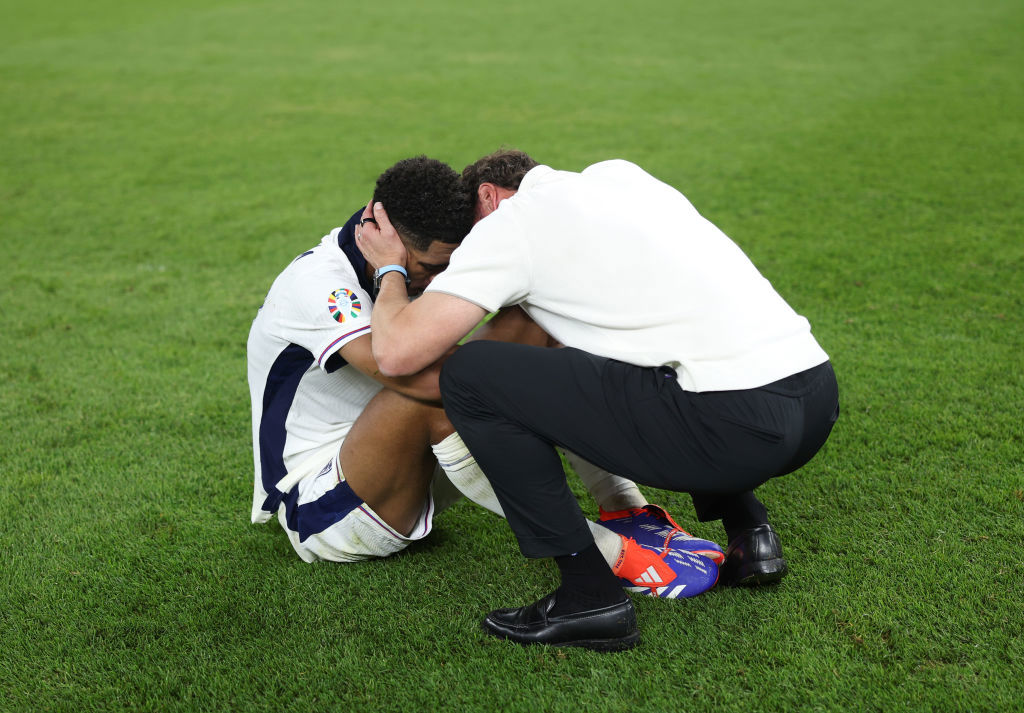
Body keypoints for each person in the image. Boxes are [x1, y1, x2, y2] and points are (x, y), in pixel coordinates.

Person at [357, 149, 840, 651]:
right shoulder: (621, 178)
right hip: (815, 395)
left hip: (732, 430)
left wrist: (390, 269)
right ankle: (751, 531)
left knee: (469, 374)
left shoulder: (511, 223)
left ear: (489, 196)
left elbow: (396, 353)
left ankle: (590, 595)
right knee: (635, 343)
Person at [246, 156, 723, 591]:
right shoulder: (317, 285)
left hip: (413, 469)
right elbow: (413, 377)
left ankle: (625, 507)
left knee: (540, 316)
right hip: (327, 505)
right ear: (386, 240)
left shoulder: (423, 257)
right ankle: (615, 556)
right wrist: (394, 273)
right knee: (447, 390)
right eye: (430, 269)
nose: (442, 282)